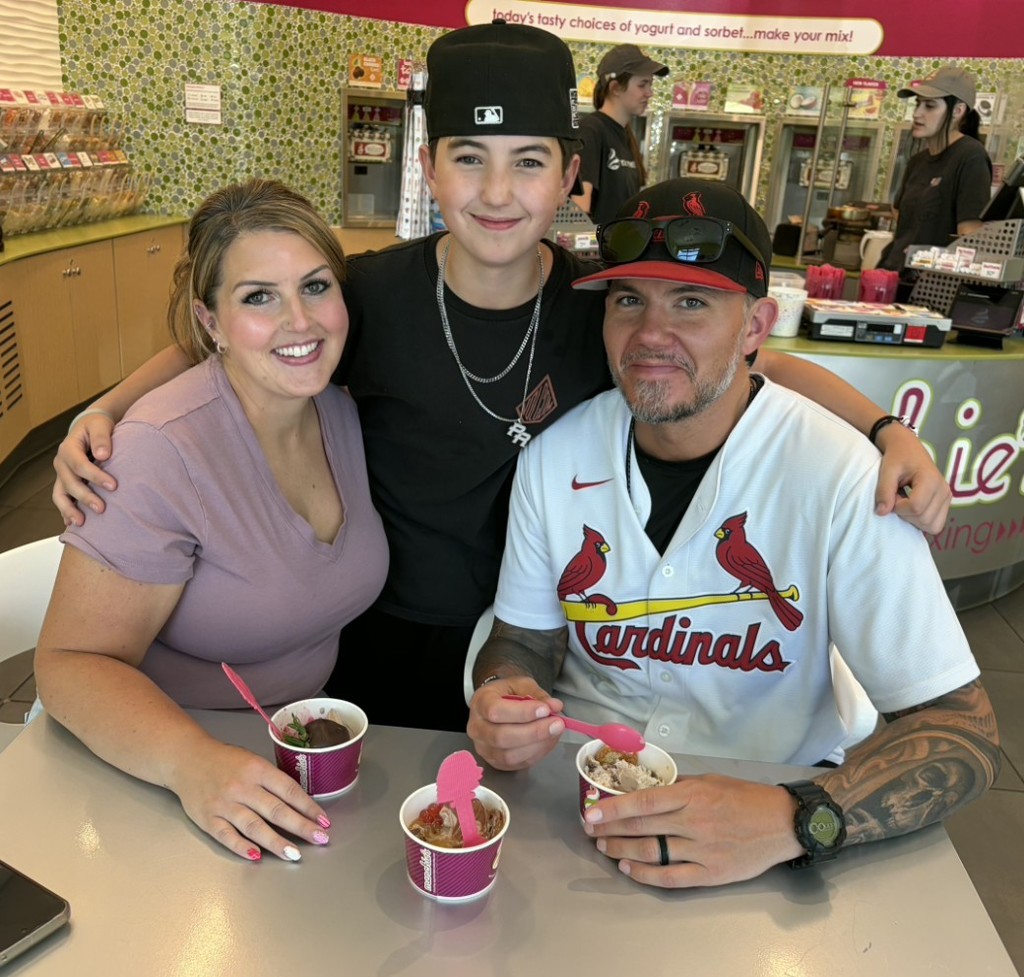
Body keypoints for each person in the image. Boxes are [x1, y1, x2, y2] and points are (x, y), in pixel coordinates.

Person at [51, 23, 950, 734]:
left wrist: (884, 431)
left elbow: (751, 359)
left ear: (568, 175)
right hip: (377, 631)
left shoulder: (597, 305)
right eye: (468, 159)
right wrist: (110, 409)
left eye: (527, 161)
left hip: (536, 638)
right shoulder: (368, 296)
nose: (496, 192)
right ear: (429, 166)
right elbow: (230, 342)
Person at [467, 177, 999, 889]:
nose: (650, 334)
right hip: (574, 804)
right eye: (629, 300)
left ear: (754, 327)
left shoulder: (843, 476)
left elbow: (963, 732)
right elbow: (525, 638)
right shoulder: (555, 458)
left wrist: (793, 817)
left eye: (692, 302)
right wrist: (504, 690)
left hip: (772, 808)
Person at [34, 179, 389, 863]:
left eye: (315, 287)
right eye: (258, 297)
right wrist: (192, 762)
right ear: (211, 322)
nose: (300, 320)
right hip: (158, 774)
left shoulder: (336, 408)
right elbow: (68, 666)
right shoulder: (159, 453)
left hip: (294, 752)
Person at [880, 65, 992, 290]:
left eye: (930, 106)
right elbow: (900, 216)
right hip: (895, 279)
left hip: (932, 289)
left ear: (958, 110)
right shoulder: (917, 161)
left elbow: (969, 237)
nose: (917, 114)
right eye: (917, 104)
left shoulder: (970, 156)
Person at [573, 43, 668, 225]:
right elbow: (579, 210)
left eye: (650, 84)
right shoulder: (591, 130)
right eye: (642, 85)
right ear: (615, 87)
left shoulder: (626, 136)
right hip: (598, 243)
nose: (649, 93)